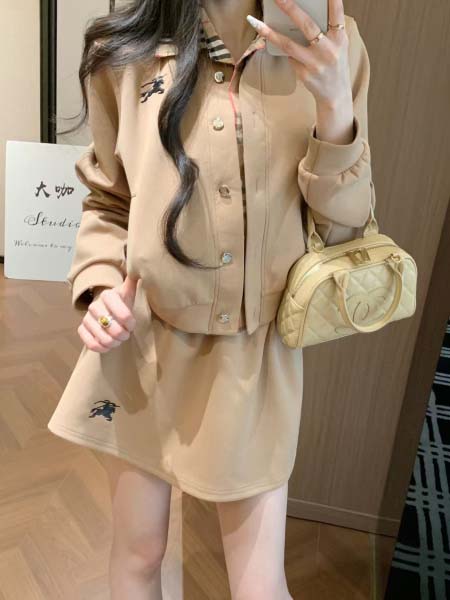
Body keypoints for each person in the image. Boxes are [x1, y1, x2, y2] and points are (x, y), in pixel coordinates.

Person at [48, 0, 375, 598]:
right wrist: (98, 286)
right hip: (143, 346)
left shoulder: (332, 43)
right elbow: (109, 200)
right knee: (138, 555)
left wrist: (335, 108)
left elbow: (344, 228)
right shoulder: (124, 50)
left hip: (255, 358)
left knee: (258, 587)